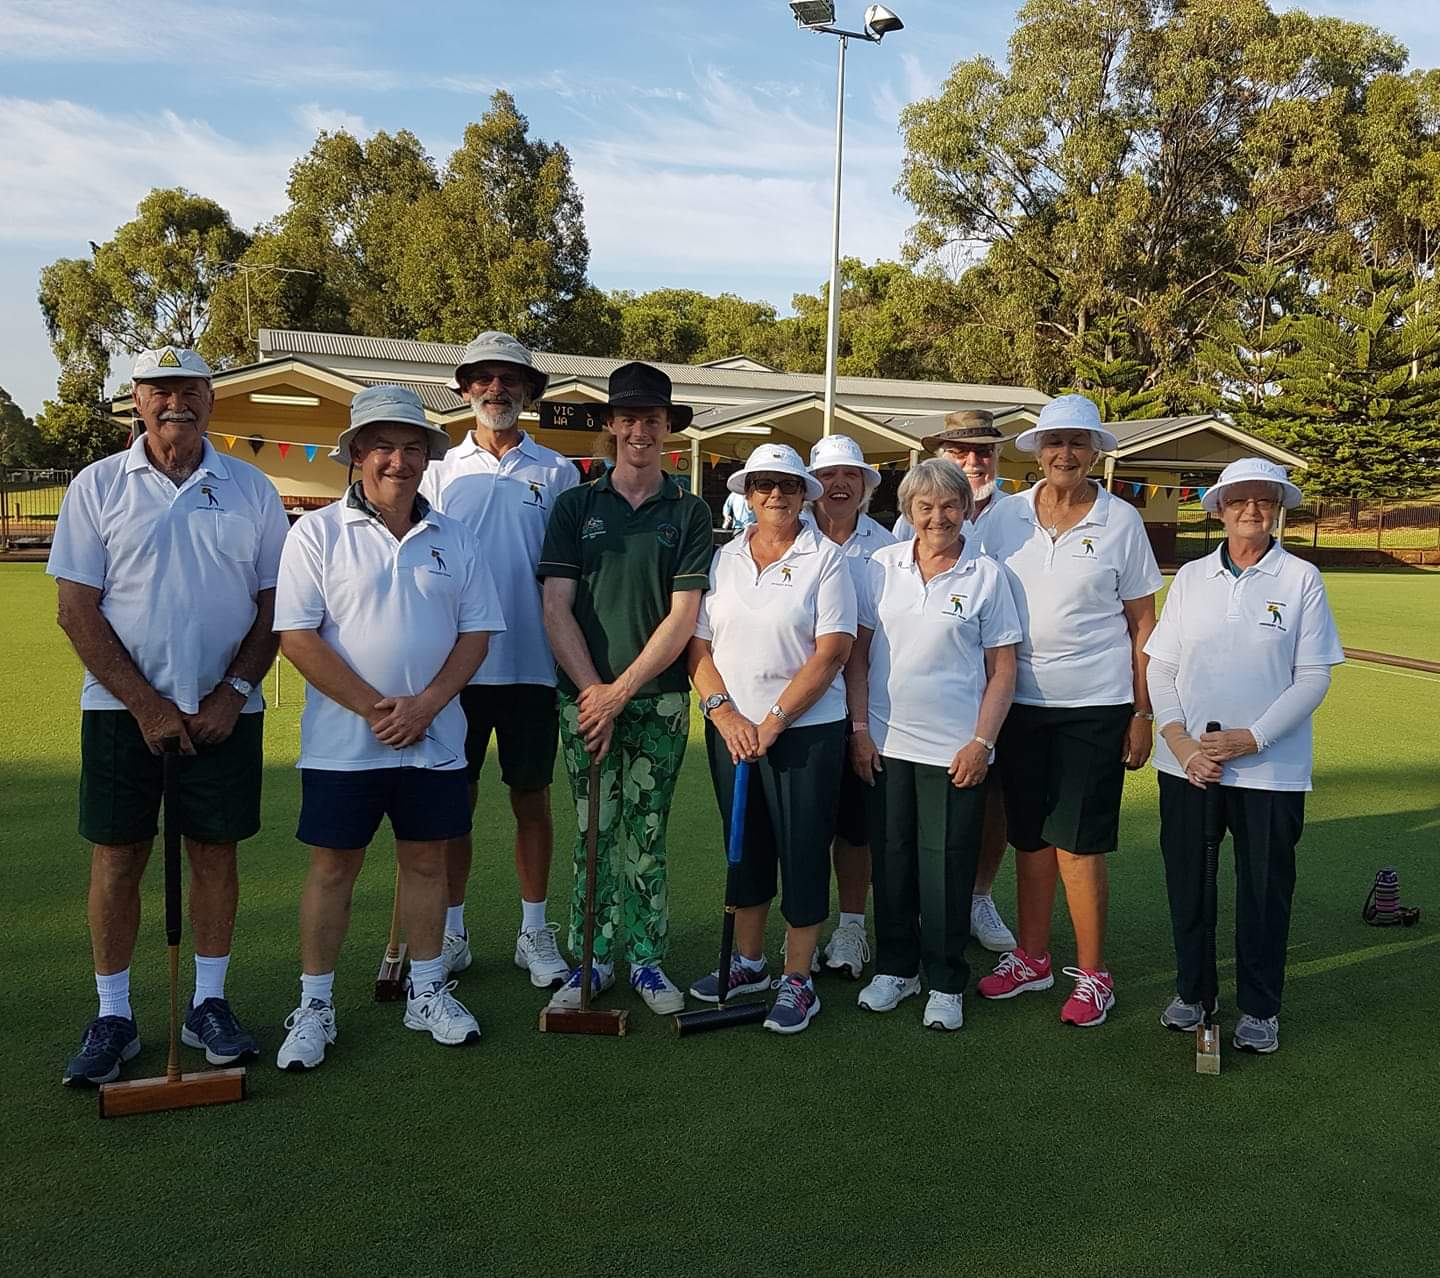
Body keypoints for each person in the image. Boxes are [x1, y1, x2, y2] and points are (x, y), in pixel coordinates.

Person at [51, 346, 287, 1086]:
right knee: (119, 855)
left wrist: (233, 693)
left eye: (188, 389)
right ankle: (114, 1014)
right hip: (123, 712)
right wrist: (147, 704)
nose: (174, 402)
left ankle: (208, 1004)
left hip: (224, 713)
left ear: (211, 399)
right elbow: (75, 610)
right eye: (159, 390)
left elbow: (276, 608)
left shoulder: (251, 487)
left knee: (215, 854)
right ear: (137, 400)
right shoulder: (96, 487)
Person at [272, 386, 505, 1070]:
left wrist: (427, 704)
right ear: (357, 455)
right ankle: (315, 1006)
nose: (397, 462)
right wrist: (379, 708)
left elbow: (476, 635)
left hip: (433, 739)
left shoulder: (454, 538)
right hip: (344, 743)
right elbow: (298, 637)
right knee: (333, 869)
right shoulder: (315, 533)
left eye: (411, 448)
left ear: (426, 458)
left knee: (427, 862)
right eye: (382, 447)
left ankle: (427, 989)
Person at [975, 394, 1162, 1027]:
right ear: (1038, 451)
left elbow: (1144, 624)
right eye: (1055, 442)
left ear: (1095, 452)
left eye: (1079, 443)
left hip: (1096, 704)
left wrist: (1144, 711)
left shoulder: (1121, 520)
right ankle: (1032, 958)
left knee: (1077, 846)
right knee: (1029, 837)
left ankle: (1094, 973)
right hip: (1018, 704)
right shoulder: (1004, 516)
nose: (1065, 453)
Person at [1146, 458, 1342, 1055]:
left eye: (1263, 500)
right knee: (1189, 887)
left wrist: (1251, 738)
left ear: (1278, 508)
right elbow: (1163, 666)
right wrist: (1178, 741)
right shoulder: (1192, 577)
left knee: (1262, 893)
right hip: (1190, 767)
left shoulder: (1301, 578)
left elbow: (1312, 678)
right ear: (1220, 508)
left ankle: (1259, 1007)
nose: (1251, 510)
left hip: (1270, 770)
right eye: (1239, 500)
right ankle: (1193, 992)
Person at [538, 362, 713, 1015]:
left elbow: (683, 617)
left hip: (660, 700)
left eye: (652, 420)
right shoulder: (575, 506)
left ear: (667, 427)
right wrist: (594, 692)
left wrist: (620, 692)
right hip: (581, 700)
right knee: (594, 831)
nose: (640, 431)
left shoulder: (688, 509)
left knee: (646, 832)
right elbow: (556, 606)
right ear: (610, 425)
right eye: (629, 419)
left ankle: (645, 960)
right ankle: (592, 959)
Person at [421, 332, 576, 989]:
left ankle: (533, 933)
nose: (496, 390)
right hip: (452, 670)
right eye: (482, 379)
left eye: (509, 379)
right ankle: (452, 935)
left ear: (529, 391)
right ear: (464, 390)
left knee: (531, 800)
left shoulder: (558, 471)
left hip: (532, 667)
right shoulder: (435, 471)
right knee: (453, 806)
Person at [688, 443, 857, 1035]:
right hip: (732, 732)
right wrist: (725, 714)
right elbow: (700, 648)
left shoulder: (826, 559)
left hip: (805, 733)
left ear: (803, 492)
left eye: (787, 484)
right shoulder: (724, 557)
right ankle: (750, 963)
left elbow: (832, 651)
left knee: (804, 850)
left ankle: (798, 979)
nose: (776, 494)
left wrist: (773, 721)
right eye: (764, 484)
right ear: (748, 492)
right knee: (749, 846)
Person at [847, 459, 1020, 1030]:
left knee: (946, 867)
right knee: (892, 860)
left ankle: (946, 978)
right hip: (887, 744)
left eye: (949, 505)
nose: (937, 517)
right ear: (909, 512)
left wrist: (981, 742)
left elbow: (1002, 671)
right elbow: (858, 658)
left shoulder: (988, 575)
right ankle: (897, 967)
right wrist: (860, 730)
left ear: (966, 510)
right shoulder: (881, 566)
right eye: (925, 507)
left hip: (955, 752)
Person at [894, 410, 1020, 953]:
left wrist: (983, 736)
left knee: (991, 807)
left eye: (984, 451)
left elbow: (1004, 660)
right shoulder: (898, 541)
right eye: (961, 450)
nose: (974, 461)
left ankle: (977, 898)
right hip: (912, 719)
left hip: (1000, 692)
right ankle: (913, 927)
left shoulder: (1019, 513)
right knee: (907, 837)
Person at [803, 434, 894, 979]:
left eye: (851, 476)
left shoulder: (887, 549)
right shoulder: (786, 537)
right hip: (800, 713)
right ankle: (805, 927)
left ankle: (852, 929)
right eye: (830, 475)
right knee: (806, 828)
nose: (840, 484)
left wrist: (862, 723)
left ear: (863, 487)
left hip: (867, 712)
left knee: (856, 829)